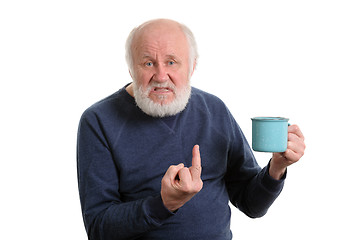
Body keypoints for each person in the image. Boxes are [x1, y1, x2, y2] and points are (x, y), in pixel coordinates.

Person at [76, 18, 306, 240]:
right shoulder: (98, 121)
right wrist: (165, 204)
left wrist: (277, 168)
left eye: (171, 62)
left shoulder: (214, 110)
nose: (160, 75)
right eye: (148, 63)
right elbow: (99, 229)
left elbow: (252, 205)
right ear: (130, 69)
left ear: (192, 66)